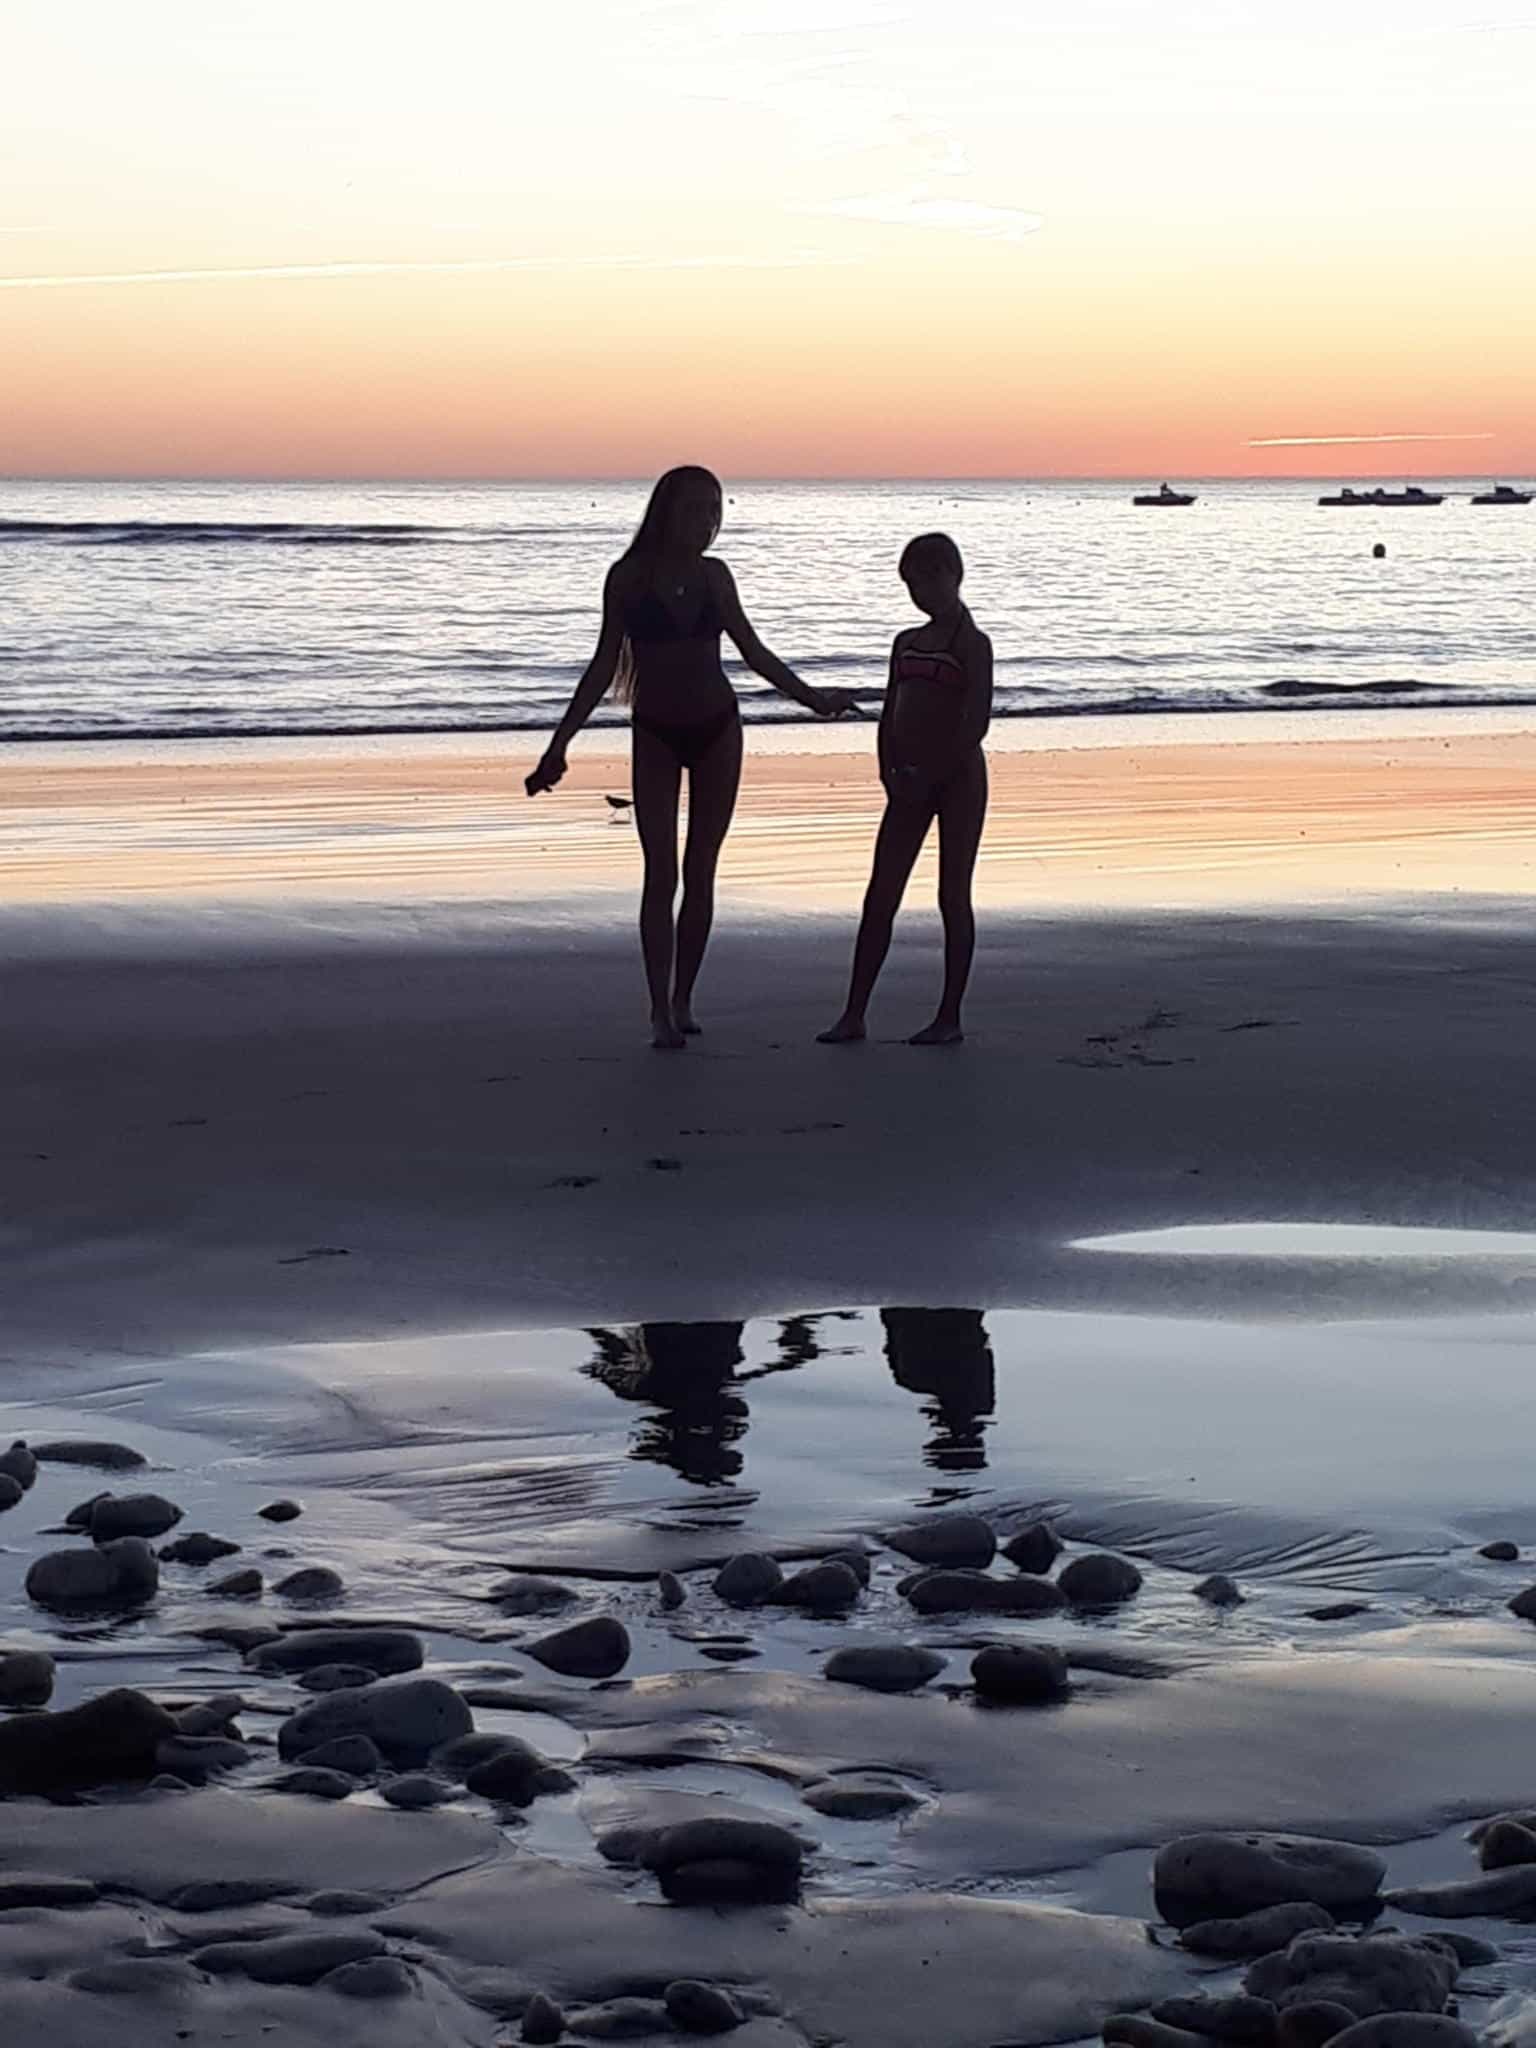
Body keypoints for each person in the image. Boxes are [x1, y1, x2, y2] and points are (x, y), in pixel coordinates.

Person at [527, 466, 853, 1047]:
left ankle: (683, 1000)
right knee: (662, 872)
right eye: (694, 509)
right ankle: (658, 1009)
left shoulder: (715, 578)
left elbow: (753, 651)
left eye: (714, 509)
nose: (706, 521)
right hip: (653, 732)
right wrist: (560, 744)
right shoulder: (627, 578)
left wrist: (812, 699)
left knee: (701, 868)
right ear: (664, 512)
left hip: (718, 730)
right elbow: (603, 666)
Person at [819, 532, 992, 1046]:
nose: (920, 593)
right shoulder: (905, 642)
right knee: (881, 895)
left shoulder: (971, 643)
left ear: (951, 575)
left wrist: (933, 772)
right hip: (907, 781)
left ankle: (949, 1017)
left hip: (958, 779)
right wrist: (888, 769)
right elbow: (890, 710)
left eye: (927, 580)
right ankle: (853, 1014)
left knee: (952, 895)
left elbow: (974, 723)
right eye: (911, 584)